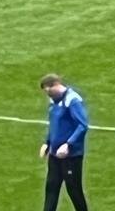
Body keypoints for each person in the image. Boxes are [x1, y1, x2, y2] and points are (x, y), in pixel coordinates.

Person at [39, 74, 90, 211]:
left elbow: (82, 125)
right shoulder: (53, 100)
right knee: (51, 188)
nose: (48, 95)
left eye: (49, 91)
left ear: (56, 85)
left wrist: (69, 144)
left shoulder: (72, 101)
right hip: (55, 155)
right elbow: (53, 124)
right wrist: (47, 142)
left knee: (74, 190)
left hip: (71, 157)